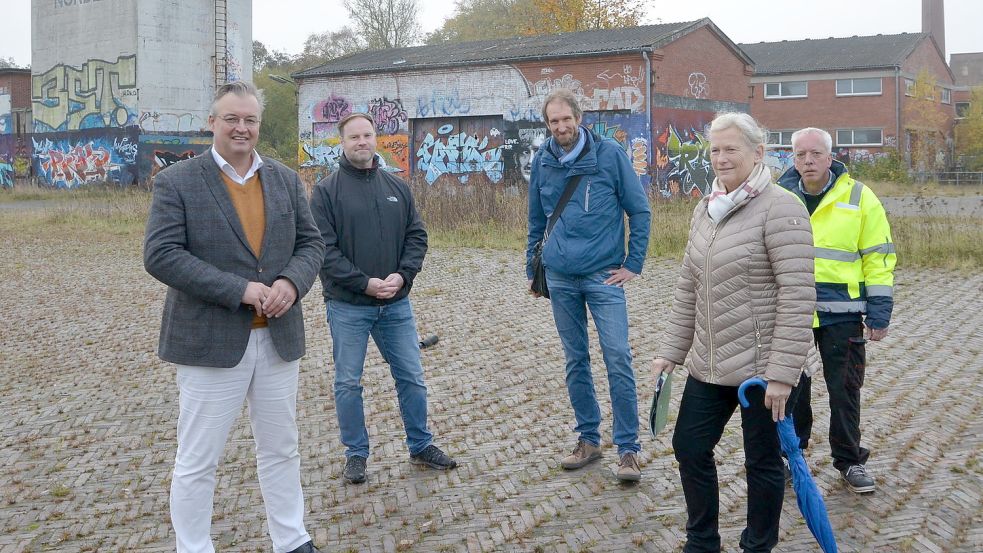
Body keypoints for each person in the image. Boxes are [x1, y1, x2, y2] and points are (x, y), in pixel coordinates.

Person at [144, 81, 324, 553]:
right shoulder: (177, 181)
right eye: (231, 119)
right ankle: (194, 546)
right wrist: (239, 289)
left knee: (281, 449)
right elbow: (161, 254)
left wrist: (290, 283)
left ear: (259, 125)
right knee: (198, 459)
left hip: (278, 340)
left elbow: (312, 244)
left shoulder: (284, 179)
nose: (242, 128)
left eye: (250, 120)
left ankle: (291, 539)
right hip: (210, 343)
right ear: (212, 122)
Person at [652, 112, 815, 553]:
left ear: (757, 153)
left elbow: (798, 295)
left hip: (762, 372)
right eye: (715, 150)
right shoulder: (705, 209)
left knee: (762, 463)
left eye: (731, 149)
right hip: (708, 362)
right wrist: (672, 350)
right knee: (688, 446)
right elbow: (689, 284)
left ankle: (757, 545)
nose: (721, 159)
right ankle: (702, 540)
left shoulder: (783, 208)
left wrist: (783, 374)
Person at [309, 112, 457, 485]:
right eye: (354, 137)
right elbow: (324, 251)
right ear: (341, 143)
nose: (362, 142)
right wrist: (365, 284)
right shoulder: (326, 192)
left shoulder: (398, 187)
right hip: (348, 306)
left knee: (411, 376)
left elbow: (416, 237)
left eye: (367, 135)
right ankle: (356, 454)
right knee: (347, 382)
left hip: (396, 304)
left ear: (377, 139)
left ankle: (421, 445)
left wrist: (402, 276)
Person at [526, 88, 651, 482]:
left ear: (579, 118)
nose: (561, 126)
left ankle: (628, 450)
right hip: (561, 278)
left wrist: (633, 263)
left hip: (603, 276)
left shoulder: (610, 156)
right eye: (553, 121)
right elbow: (535, 220)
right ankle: (589, 440)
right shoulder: (543, 161)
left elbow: (640, 210)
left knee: (617, 357)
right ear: (547, 125)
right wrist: (534, 269)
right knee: (575, 360)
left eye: (566, 119)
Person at [778, 127, 897, 494]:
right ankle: (790, 456)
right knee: (790, 389)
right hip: (792, 312)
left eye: (815, 154)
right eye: (801, 155)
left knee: (845, 389)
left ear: (831, 157)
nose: (808, 161)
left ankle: (849, 460)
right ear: (793, 158)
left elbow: (878, 257)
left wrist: (879, 311)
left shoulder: (860, 197)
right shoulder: (778, 197)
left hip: (842, 314)